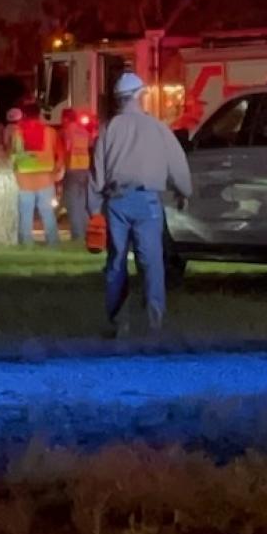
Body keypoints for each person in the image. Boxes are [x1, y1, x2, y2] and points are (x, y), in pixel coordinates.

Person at [89, 71, 193, 336]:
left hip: (116, 202)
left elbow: (97, 172)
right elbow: (177, 163)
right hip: (147, 202)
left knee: (116, 262)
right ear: (139, 96)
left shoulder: (108, 129)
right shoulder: (157, 127)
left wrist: (94, 209)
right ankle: (154, 323)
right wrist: (184, 191)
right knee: (151, 263)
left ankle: (117, 322)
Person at [7, 107, 60, 246]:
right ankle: (53, 243)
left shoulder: (17, 133)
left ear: (24, 116)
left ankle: (26, 243)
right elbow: (58, 154)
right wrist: (55, 173)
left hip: (23, 181)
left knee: (25, 213)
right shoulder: (50, 132)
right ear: (39, 115)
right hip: (45, 179)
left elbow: (12, 155)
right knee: (47, 213)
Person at [57, 109, 97, 249]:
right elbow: (91, 145)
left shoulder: (67, 131)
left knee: (73, 205)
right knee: (83, 205)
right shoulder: (83, 131)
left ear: (66, 119)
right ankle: (87, 234)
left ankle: (77, 236)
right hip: (84, 170)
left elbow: (66, 148)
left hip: (72, 170)